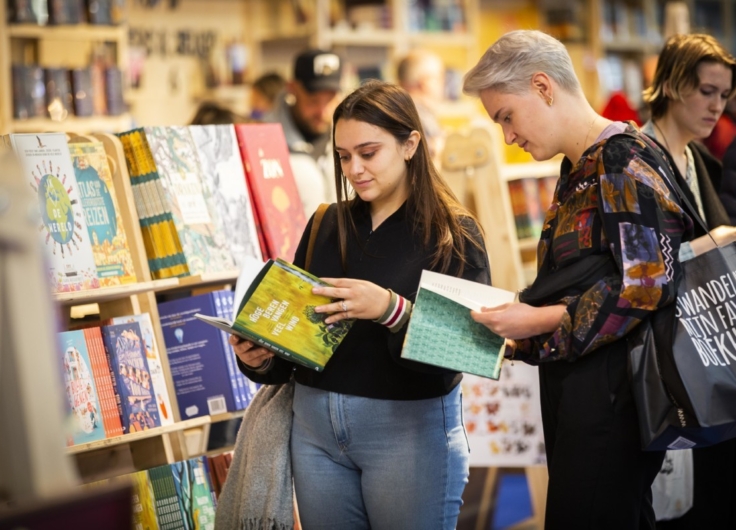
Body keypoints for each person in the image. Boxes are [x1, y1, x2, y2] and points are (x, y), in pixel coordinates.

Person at [231, 80, 490, 529]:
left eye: (368, 153)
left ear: (410, 144)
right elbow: (299, 345)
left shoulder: (454, 233)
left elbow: (467, 349)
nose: (354, 168)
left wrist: (392, 310)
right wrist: (258, 356)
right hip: (314, 435)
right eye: (343, 156)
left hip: (408, 434)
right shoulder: (325, 224)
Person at [463, 30, 692, 529]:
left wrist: (538, 318)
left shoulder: (619, 159)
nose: (508, 136)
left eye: (506, 116)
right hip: (592, 397)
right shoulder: (580, 167)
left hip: (614, 403)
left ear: (543, 87)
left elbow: (648, 282)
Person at [640, 33, 736, 530]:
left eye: (723, 95)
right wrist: (710, 243)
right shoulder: (637, 159)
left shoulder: (697, 160)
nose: (716, 105)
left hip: (703, 352)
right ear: (673, 85)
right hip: (664, 360)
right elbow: (631, 268)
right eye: (706, 91)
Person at [264, 49, 342, 216]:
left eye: (330, 100)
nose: (322, 112)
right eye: (313, 100)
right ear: (292, 88)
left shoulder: (352, 141)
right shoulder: (264, 144)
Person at [397, 49, 446, 160]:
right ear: (425, 82)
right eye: (440, 77)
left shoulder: (396, 109)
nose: (444, 83)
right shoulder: (418, 114)